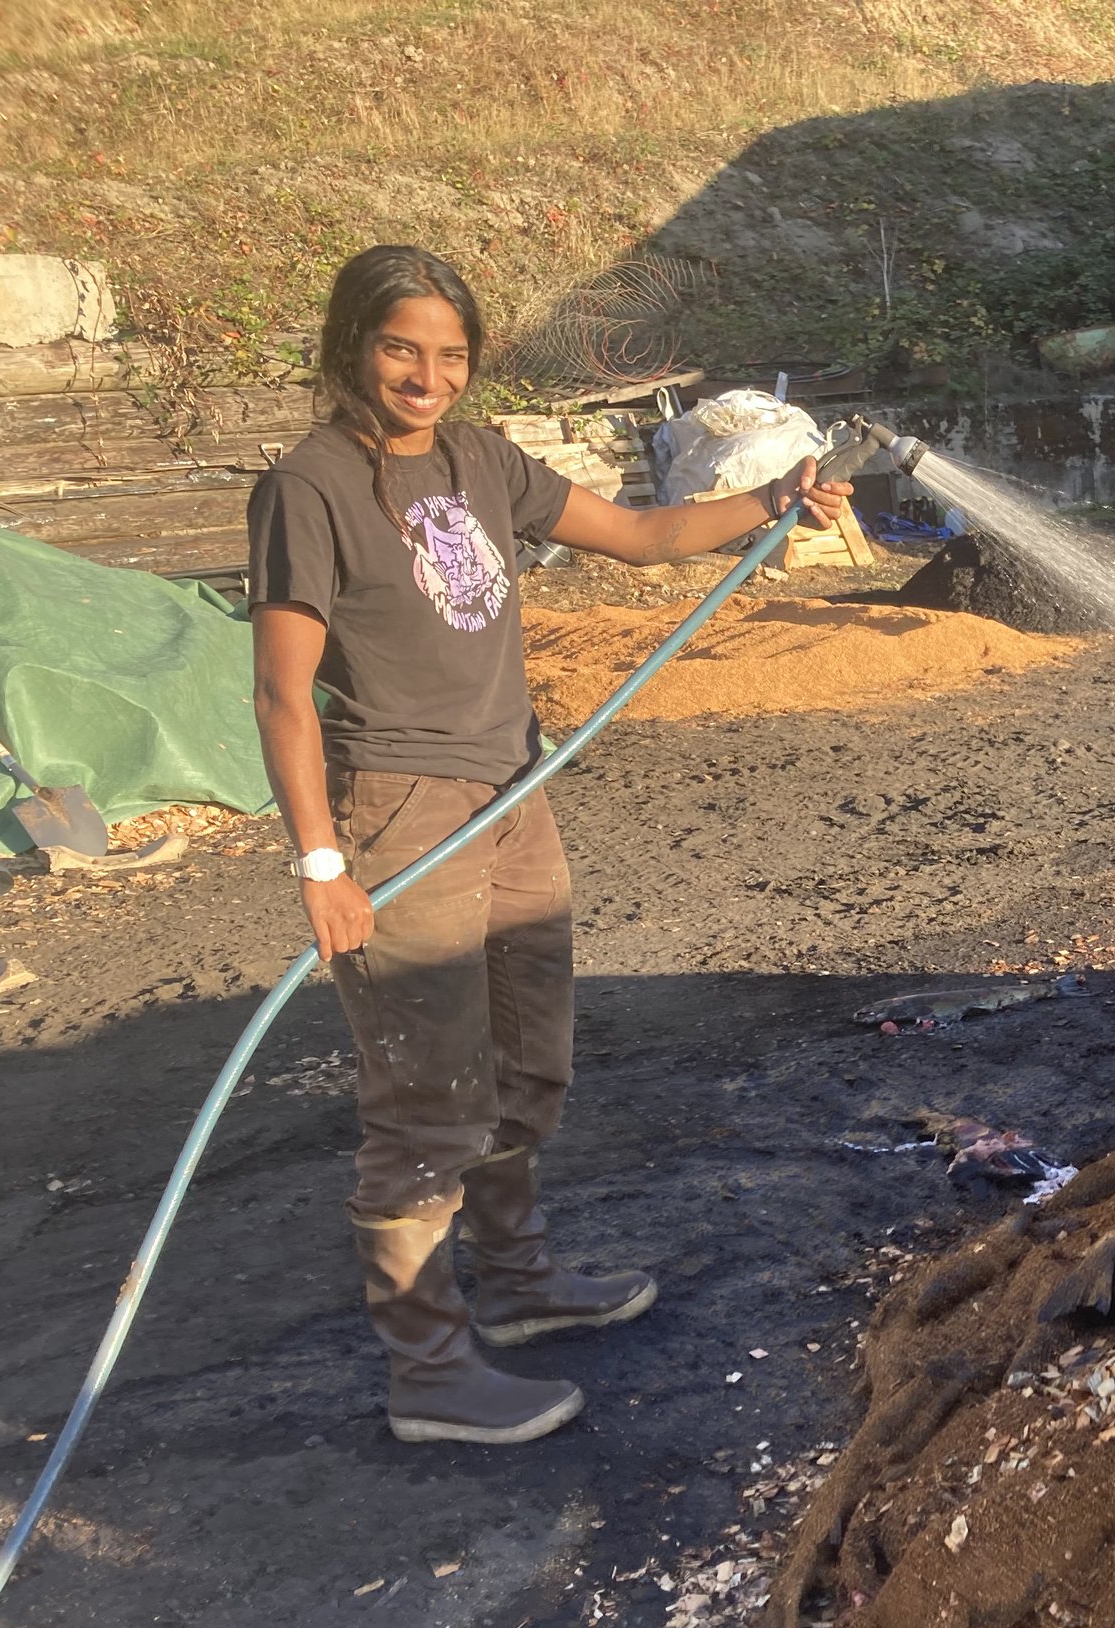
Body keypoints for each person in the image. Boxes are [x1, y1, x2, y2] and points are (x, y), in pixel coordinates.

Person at [248, 245, 851, 1445]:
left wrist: (773, 501)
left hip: (513, 788)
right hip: (399, 807)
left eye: (451, 354)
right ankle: (428, 1372)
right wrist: (321, 863)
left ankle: (517, 1284)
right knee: (426, 1097)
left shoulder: (481, 459)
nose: (427, 376)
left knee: (530, 1061)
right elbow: (280, 691)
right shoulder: (308, 487)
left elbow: (639, 534)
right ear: (352, 346)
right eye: (401, 349)